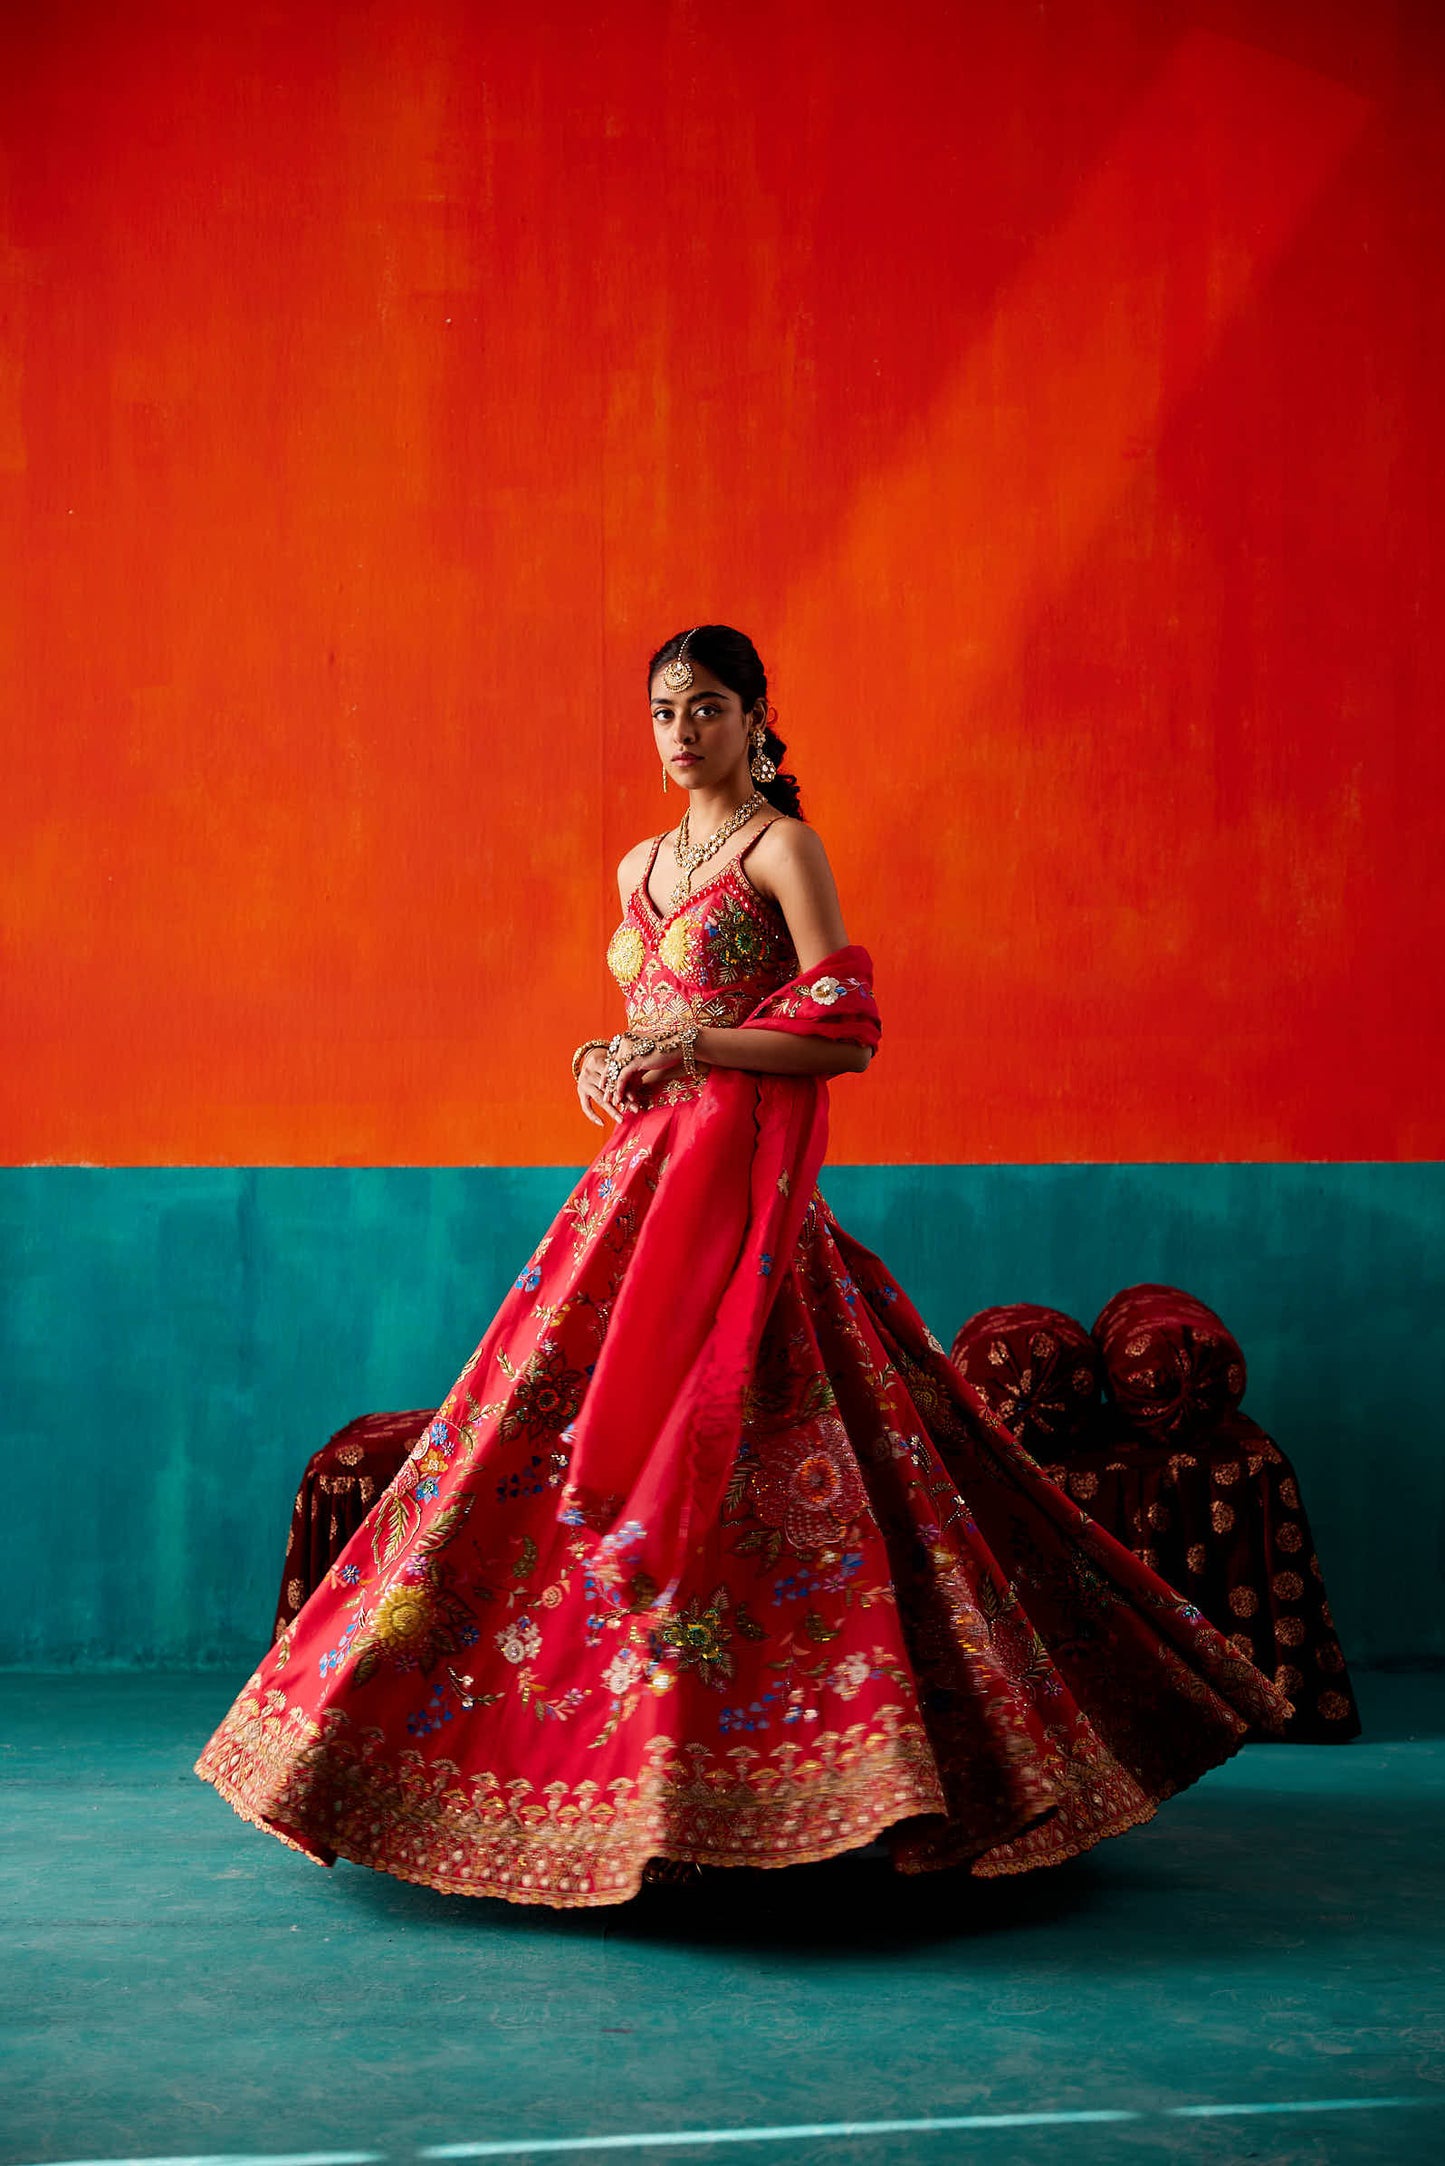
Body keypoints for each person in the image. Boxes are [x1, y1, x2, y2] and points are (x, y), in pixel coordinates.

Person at [196, 623, 1291, 1908]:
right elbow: (648, 1034)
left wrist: (696, 1048)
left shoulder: (781, 848)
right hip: (636, 1195)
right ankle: (570, 1772)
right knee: (525, 1441)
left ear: (757, 716)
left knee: (793, 1462)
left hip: (745, 1210)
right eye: (663, 710)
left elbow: (843, 1031)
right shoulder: (639, 866)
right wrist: (607, 1063)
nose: (680, 730)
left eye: (707, 706)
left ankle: (850, 1784)